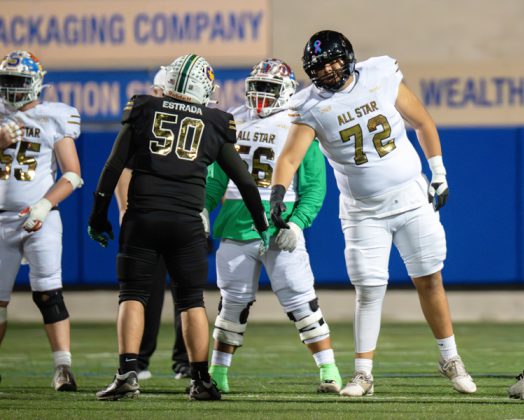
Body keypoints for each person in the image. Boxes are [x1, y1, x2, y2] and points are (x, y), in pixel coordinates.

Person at [270, 30, 477, 397]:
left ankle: (451, 358)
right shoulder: (310, 105)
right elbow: (289, 158)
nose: (329, 70)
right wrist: (277, 194)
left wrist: (439, 172)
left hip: (410, 196)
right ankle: (363, 374)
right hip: (362, 210)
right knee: (368, 290)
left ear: (348, 57)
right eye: (320, 66)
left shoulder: (379, 74)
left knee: (430, 279)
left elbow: (423, 122)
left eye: (333, 61)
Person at [87, 54, 269, 401]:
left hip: (143, 217)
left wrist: (98, 215)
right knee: (191, 300)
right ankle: (200, 379)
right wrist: (262, 223)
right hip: (187, 222)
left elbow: (112, 168)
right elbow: (245, 181)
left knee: (132, 295)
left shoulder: (143, 108)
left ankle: (127, 374)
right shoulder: (215, 121)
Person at [205, 58, 342, 394]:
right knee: (231, 303)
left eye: (270, 87)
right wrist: (201, 208)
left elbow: (314, 187)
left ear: (287, 91)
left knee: (301, 300)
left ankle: (329, 369)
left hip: (279, 225)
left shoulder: (300, 120)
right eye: (258, 87)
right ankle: (217, 372)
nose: (262, 94)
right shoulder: (232, 119)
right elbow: (216, 178)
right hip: (236, 224)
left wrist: (297, 224)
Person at [0, 50, 82, 391]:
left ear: (35, 83)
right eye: (7, 80)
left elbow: (72, 174)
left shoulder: (54, 116)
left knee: (48, 293)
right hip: (0, 220)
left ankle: (63, 367)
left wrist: (44, 205)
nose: (12, 88)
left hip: (41, 217)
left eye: (18, 81)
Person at [114, 67, 190, 381]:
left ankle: (186, 360)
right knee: (145, 290)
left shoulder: (196, 124)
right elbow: (123, 168)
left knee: (187, 293)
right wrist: (124, 209)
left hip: (183, 215)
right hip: (151, 215)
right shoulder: (146, 120)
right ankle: (139, 359)